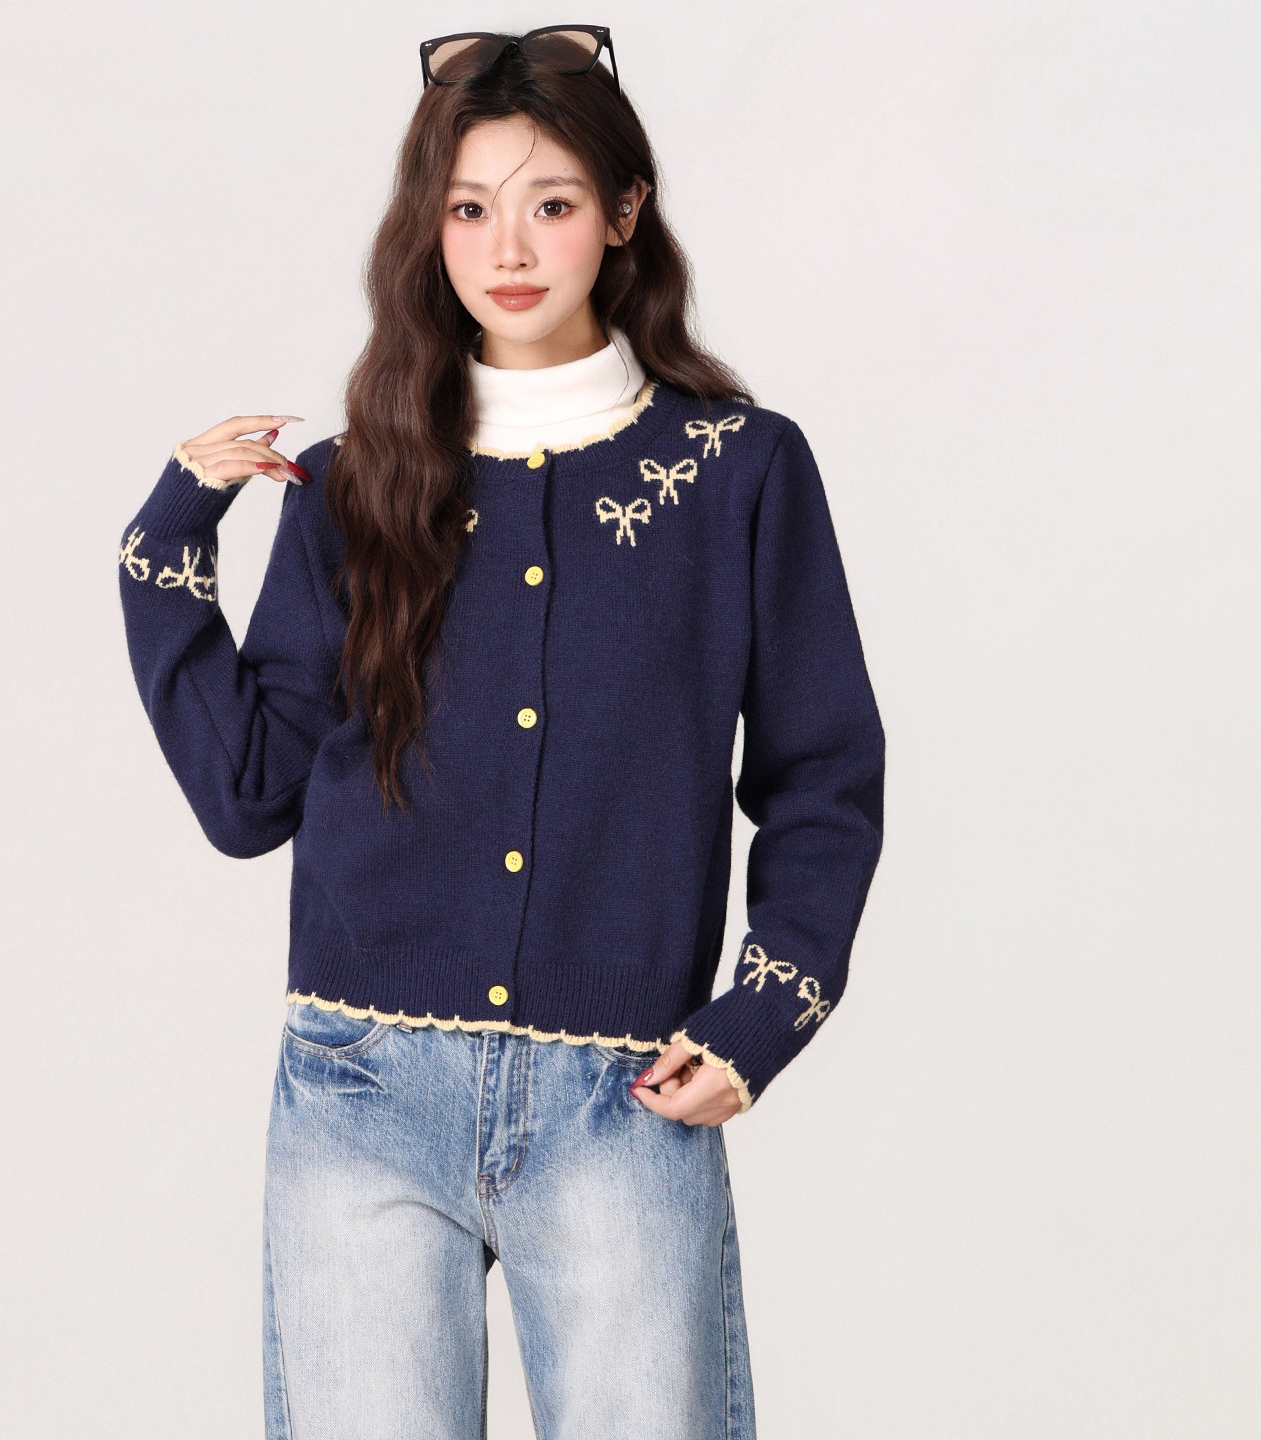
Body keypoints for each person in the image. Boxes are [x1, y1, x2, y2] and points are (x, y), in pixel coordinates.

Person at [118, 25, 884, 1440]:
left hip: (622, 1097)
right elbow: (248, 796)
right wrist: (167, 549)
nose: (509, 248)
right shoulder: (356, 484)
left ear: (625, 212)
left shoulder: (735, 470)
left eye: (552, 203)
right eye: (469, 208)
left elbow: (822, 771)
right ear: (428, 228)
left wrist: (769, 1011)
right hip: (359, 1090)